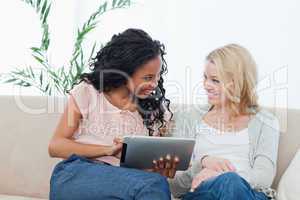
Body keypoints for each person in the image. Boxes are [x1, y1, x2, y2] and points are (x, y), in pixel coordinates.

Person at [48, 28, 177, 200]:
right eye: (147, 78)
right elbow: (56, 146)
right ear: (124, 71)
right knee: (153, 185)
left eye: (157, 76)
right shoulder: (89, 92)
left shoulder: (156, 111)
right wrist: (107, 150)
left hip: (125, 184)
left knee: (154, 183)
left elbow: (144, 175)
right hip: (77, 173)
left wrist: (160, 169)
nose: (154, 84)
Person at [169, 44, 280, 200]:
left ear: (239, 82)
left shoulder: (266, 121)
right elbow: (173, 183)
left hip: (249, 193)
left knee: (230, 181)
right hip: (202, 194)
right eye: (205, 77)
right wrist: (202, 164)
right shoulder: (188, 118)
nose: (206, 85)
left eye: (215, 80)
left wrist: (221, 176)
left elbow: (264, 176)